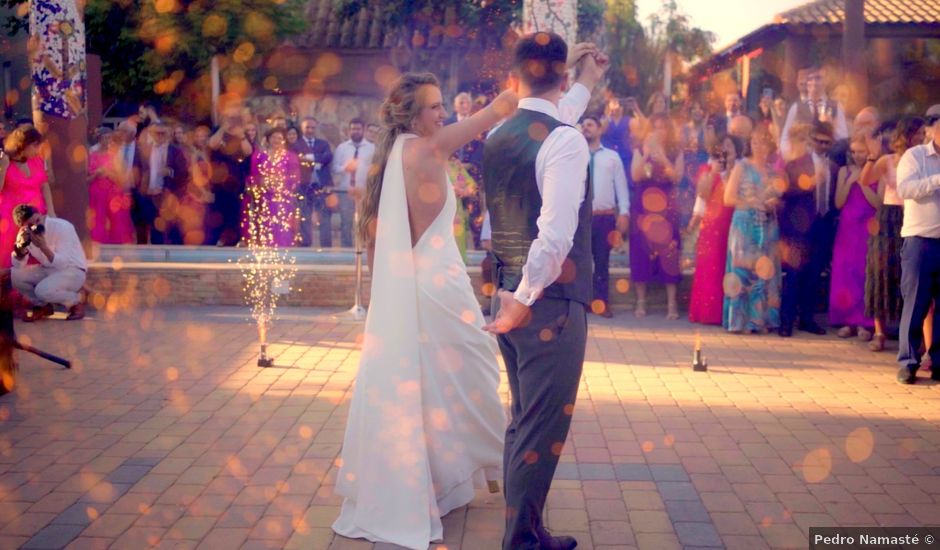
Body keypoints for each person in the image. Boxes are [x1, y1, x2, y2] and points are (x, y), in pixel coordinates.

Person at [329, 70, 519, 547]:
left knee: (434, 384)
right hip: (438, 287)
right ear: (413, 115)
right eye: (434, 107)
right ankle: (488, 468)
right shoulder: (425, 148)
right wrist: (553, 75)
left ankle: (436, 483)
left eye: (441, 106)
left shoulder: (394, 154)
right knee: (464, 377)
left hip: (420, 285)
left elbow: (377, 237)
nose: (442, 114)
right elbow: (498, 109)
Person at [483, 35, 607, 550]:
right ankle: (521, 542)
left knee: (523, 423)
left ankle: (526, 530)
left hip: (505, 288)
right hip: (544, 304)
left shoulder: (497, 135)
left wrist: (585, 82)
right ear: (558, 77)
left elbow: (553, 118)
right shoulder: (566, 141)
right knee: (540, 429)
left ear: (515, 77)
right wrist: (526, 297)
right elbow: (554, 236)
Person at [861, 116, 926, 352]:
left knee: (909, 276)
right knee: (881, 272)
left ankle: (911, 333)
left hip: (915, 217)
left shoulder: (924, 159)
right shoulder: (889, 160)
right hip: (889, 218)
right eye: (918, 133)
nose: (922, 137)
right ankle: (879, 331)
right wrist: (872, 155)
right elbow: (865, 179)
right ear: (906, 135)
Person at [777, 121, 837, 337]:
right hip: (798, 227)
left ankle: (807, 319)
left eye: (827, 143)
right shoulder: (796, 164)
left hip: (822, 225)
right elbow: (784, 193)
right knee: (793, 274)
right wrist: (809, 184)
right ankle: (786, 321)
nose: (823, 146)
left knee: (814, 274)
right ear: (811, 140)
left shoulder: (833, 167)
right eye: (819, 141)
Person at [892, 114, 940, 384]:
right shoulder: (915, 156)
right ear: (933, 129)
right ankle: (908, 362)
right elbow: (905, 189)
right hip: (920, 241)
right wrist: (937, 180)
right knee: (915, 303)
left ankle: (938, 361)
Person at [723, 124, 782, 333]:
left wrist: (773, 203)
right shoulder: (741, 166)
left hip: (766, 225)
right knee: (742, 271)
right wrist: (753, 202)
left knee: (764, 272)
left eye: (763, 142)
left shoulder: (773, 171)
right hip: (744, 225)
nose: (759, 147)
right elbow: (728, 198)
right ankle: (739, 321)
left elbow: (779, 199)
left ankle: (759, 320)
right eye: (755, 142)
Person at [630, 114, 685, 319]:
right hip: (643, 208)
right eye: (655, 127)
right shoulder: (639, 149)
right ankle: (641, 301)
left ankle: (672, 304)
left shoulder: (674, 151)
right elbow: (635, 176)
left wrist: (661, 156)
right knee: (640, 252)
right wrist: (646, 154)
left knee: (669, 252)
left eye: (663, 127)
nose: (659, 131)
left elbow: (676, 176)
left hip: (666, 208)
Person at [688, 134, 740, 325]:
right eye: (722, 147)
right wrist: (714, 173)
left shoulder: (739, 170)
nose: (725, 152)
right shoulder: (707, 169)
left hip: (733, 223)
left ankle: (727, 314)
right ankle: (707, 313)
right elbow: (702, 195)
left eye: (729, 147)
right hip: (712, 225)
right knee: (710, 268)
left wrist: (729, 172)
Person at [830, 138, 878, 341]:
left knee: (863, 272)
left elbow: (878, 202)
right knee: (845, 272)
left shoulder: (878, 169)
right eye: (855, 151)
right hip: (847, 228)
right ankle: (846, 320)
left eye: (862, 151)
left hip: (867, 227)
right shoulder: (844, 171)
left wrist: (863, 182)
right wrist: (850, 181)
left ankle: (864, 323)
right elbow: (838, 202)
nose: (858, 156)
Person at [581, 114, 629, 317]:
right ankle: (582, 303)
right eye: (583, 126)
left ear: (600, 129)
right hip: (581, 217)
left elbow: (621, 187)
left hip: (604, 218)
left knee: (602, 261)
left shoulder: (612, 157)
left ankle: (601, 303)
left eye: (590, 125)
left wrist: (624, 212)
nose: (586, 129)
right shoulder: (576, 155)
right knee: (581, 262)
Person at [11, 204, 86, 321]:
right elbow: (18, 265)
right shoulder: (25, 233)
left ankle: (75, 301)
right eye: (30, 225)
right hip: (48, 270)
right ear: (23, 227)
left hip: (73, 270)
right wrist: (20, 249)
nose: (36, 226)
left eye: (37, 221)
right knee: (14, 275)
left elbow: (63, 263)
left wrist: (44, 247)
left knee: (42, 290)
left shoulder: (62, 226)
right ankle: (42, 306)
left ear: (40, 215)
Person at [0, 126, 54, 269]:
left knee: (37, 248)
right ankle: (10, 286)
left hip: (36, 213)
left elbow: (44, 185)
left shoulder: (36, 160)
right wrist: (3, 168)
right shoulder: (4, 160)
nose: (38, 149)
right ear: (23, 144)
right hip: (12, 217)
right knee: (13, 251)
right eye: (35, 145)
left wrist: (51, 210)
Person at [132, 122, 190, 244]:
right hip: (149, 196)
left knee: (172, 231)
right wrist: (143, 189)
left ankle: (174, 259)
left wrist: (171, 172)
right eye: (156, 133)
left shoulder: (176, 151)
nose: (159, 136)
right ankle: (155, 258)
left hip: (169, 197)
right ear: (151, 134)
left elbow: (185, 174)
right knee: (154, 231)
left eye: (162, 133)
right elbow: (136, 171)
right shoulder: (143, 150)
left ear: (168, 134)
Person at [243, 127, 301, 247]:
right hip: (264, 197)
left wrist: (281, 182)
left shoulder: (290, 156)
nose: (276, 140)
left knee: (282, 226)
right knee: (265, 226)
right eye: (274, 137)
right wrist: (261, 182)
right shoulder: (259, 156)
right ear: (268, 139)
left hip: (282, 198)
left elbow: (295, 177)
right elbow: (253, 175)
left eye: (280, 138)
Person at [780, 66, 849, 159]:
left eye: (818, 78)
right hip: (802, 163)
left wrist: (831, 128)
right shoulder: (796, 107)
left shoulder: (836, 106)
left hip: (827, 161)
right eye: (810, 79)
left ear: (826, 80)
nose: (814, 82)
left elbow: (843, 140)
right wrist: (791, 157)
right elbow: (785, 138)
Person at [207, 111, 252, 246]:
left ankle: (233, 239)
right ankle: (218, 239)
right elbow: (212, 144)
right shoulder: (217, 131)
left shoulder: (242, 133)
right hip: (219, 180)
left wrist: (242, 136)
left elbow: (248, 151)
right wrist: (223, 129)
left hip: (236, 181)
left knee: (235, 211)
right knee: (218, 210)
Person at [331, 118, 375, 247]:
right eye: (353, 129)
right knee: (346, 221)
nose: (355, 131)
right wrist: (345, 168)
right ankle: (346, 249)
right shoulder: (342, 148)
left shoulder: (371, 148)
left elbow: (376, 169)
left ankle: (363, 247)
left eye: (358, 129)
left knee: (364, 221)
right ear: (349, 130)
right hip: (346, 191)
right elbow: (334, 168)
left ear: (363, 130)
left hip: (363, 192)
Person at [292, 117, 333, 247]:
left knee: (325, 217)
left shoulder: (323, 143)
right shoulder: (295, 145)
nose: (310, 130)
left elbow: (328, 157)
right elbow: (297, 162)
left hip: (322, 185)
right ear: (302, 128)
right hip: (303, 186)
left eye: (312, 127)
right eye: (307, 127)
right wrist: (317, 162)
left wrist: (309, 158)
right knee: (305, 216)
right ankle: (306, 246)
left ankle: (326, 247)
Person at [88, 130, 135, 244]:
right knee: (97, 219)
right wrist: (96, 174)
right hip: (96, 195)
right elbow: (86, 179)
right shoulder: (91, 156)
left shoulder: (115, 156)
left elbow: (122, 179)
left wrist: (108, 172)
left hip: (112, 194)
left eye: (110, 138)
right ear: (99, 139)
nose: (108, 141)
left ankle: (117, 243)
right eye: (105, 138)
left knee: (116, 221)